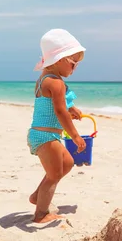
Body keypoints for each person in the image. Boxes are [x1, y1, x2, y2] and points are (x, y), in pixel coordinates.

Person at [27, 28, 87, 223]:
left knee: (67, 163)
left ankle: (37, 196)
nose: (75, 68)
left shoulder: (46, 79)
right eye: (73, 63)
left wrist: (71, 108)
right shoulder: (56, 83)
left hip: (44, 134)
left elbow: (55, 106)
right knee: (54, 174)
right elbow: (60, 112)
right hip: (45, 135)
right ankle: (41, 214)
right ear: (60, 60)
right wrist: (75, 136)